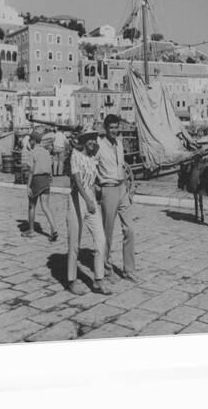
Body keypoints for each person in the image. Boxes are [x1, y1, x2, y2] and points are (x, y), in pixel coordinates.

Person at [66, 127, 112, 295]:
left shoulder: (92, 158)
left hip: (90, 199)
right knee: (74, 242)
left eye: (95, 138)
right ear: (83, 141)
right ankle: (71, 280)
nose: (93, 141)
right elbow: (77, 181)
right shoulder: (75, 156)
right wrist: (87, 200)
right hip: (77, 199)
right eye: (90, 139)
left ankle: (98, 280)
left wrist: (94, 198)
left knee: (100, 239)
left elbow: (92, 182)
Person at [95, 114, 137, 282]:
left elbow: (122, 167)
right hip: (108, 190)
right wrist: (97, 187)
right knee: (108, 232)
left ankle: (129, 270)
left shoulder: (119, 144)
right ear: (106, 129)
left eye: (116, 127)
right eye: (111, 127)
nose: (114, 130)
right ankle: (106, 268)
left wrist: (128, 188)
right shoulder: (98, 146)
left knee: (130, 229)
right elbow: (91, 166)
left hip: (122, 189)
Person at [24, 131, 58, 241]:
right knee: (46, 206)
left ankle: (31, 230)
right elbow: (50, 168)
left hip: (36, 180)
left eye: (30, 140)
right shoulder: (46, 152)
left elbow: (31, 171)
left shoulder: (33, 153)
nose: (29, 142)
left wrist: (28, 186)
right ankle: (54, 229)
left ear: (33, 141)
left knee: (32, 206)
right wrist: (50, 178)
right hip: (46, 180)